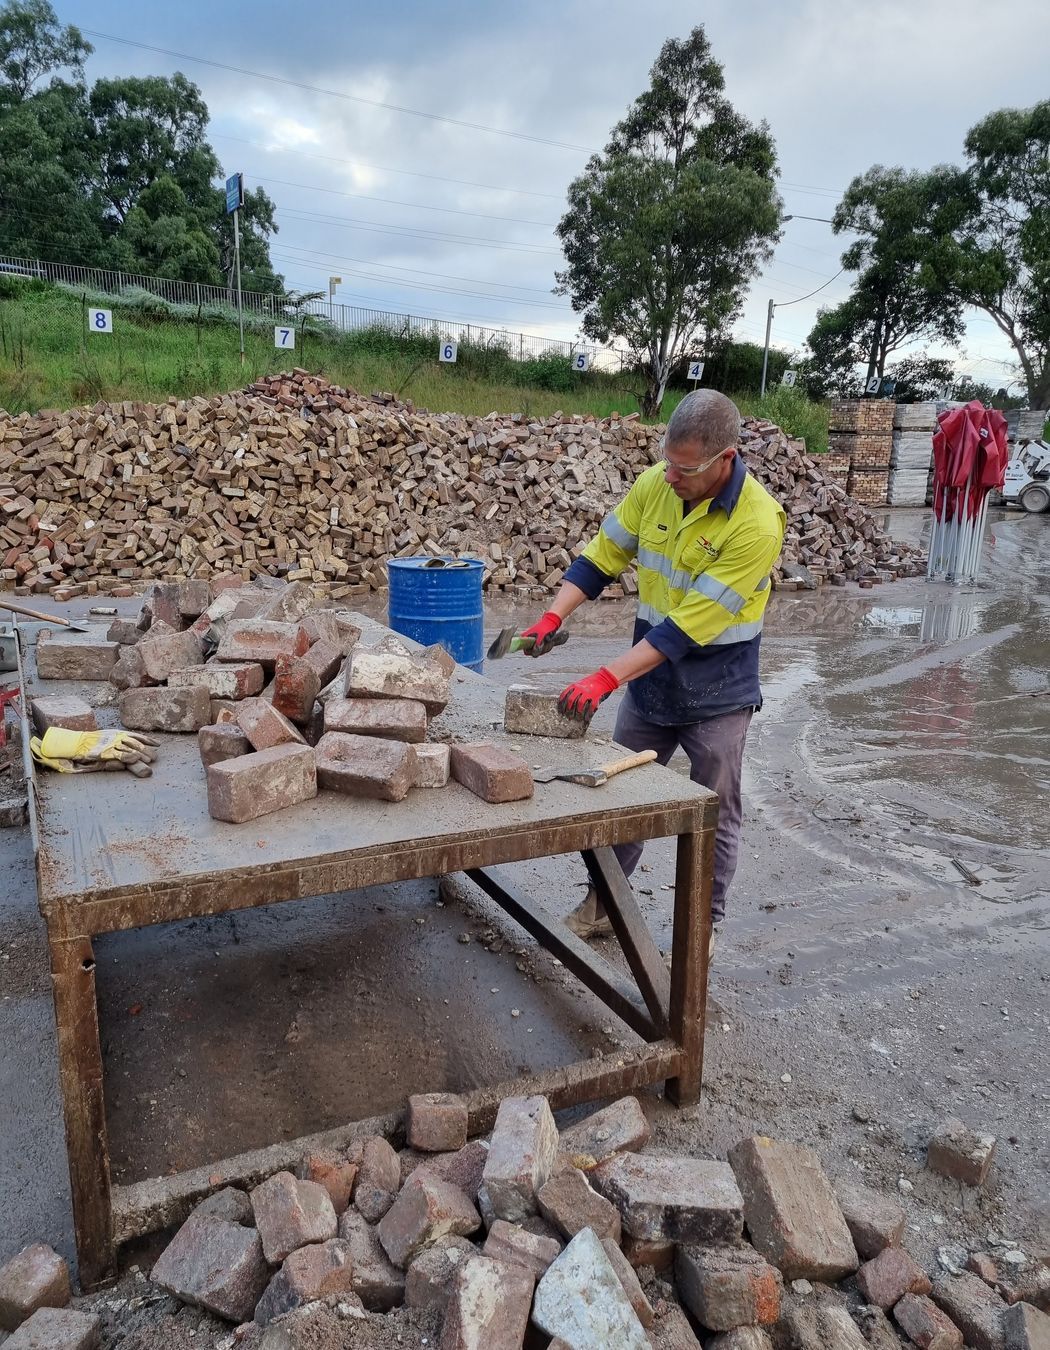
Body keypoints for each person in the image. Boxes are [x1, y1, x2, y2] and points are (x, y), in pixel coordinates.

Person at [518, 389, 785, 949]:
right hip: (651, 680)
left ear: (726, 459)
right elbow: (600, 557)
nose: (672, 477)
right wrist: (551, 614)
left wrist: (604, 677)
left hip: (719, 690)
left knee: (711, 812)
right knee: (620, 801)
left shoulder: (757, 524)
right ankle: (603, 904)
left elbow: (687, 627)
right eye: (669, 462)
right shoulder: (654, 486)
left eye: (685, 469)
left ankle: (700, 925)